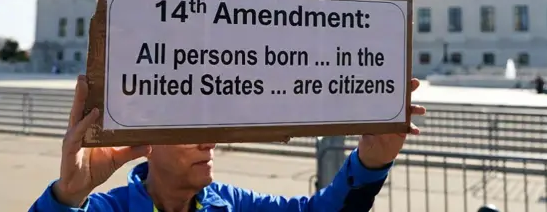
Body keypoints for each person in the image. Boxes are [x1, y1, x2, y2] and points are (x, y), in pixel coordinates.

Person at [29, 75, 426, 212]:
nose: (210, 142)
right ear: (148, 143)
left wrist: (372, 161)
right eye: (191, 131)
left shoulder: (230, 203)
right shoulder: (104, 209)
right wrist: (67, 197)